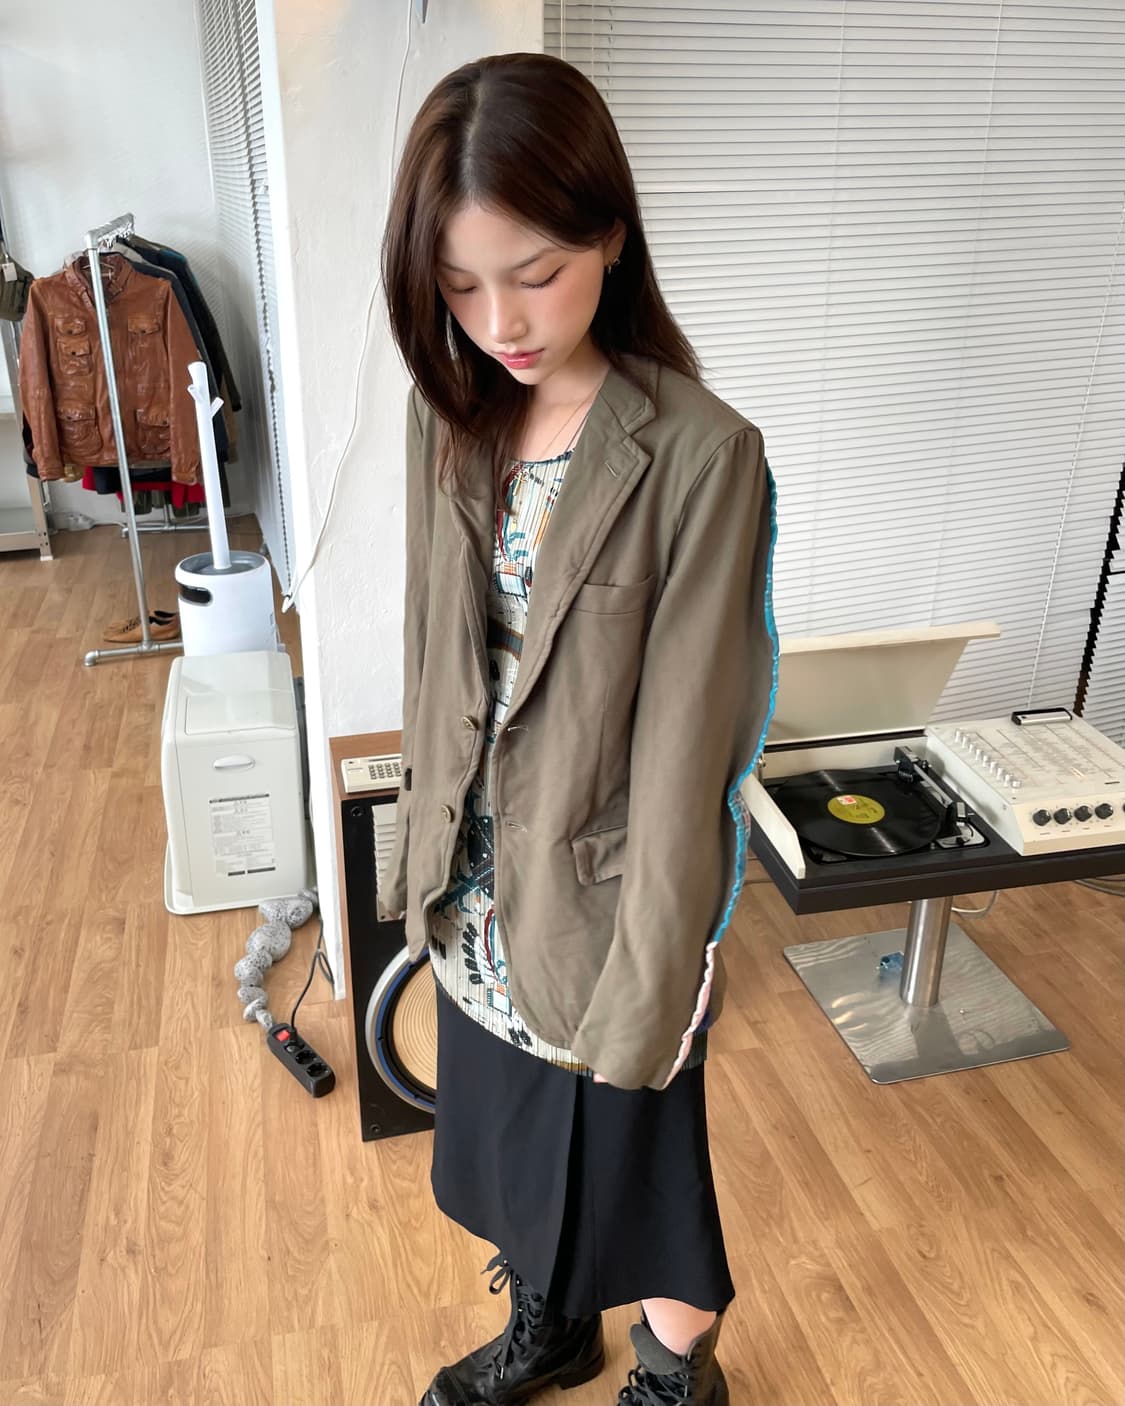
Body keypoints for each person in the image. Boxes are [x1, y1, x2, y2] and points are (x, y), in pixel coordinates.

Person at [380, 51, 779, 1406]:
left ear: (609, 232)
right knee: (510, 1143)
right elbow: (429, 657)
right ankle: (550, 1323)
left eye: (535, 273)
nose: (499, 320)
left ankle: (671, 1368)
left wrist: (660, 973)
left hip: (610, 908)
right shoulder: (451, 415)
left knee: (644, 1177)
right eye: (458, 285)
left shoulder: (700, 454)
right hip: (478, 887)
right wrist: (417, 862)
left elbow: (689, 748)